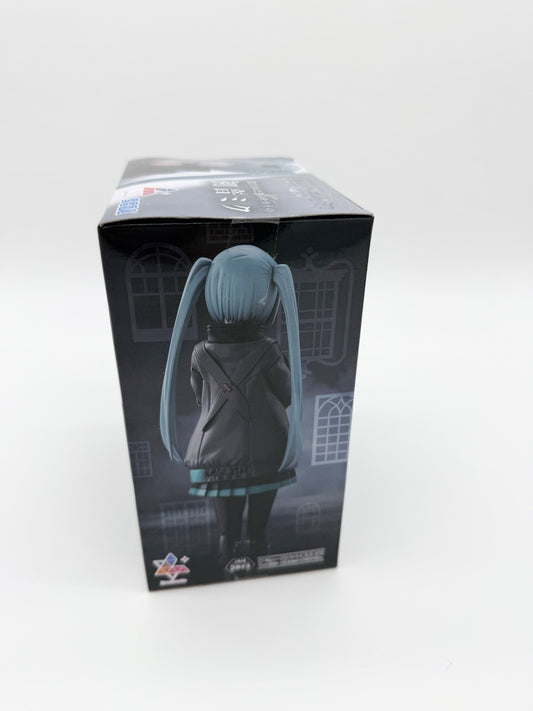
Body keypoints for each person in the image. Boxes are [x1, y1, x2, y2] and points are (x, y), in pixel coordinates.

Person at [160, 244, 302, 566]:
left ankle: (227, 570)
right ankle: (258, 568)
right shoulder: (269, 350)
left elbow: (201, 398)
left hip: (214, 454)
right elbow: (288, 395)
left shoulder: (199, 352)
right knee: (258, 532)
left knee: (227, 533)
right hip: (266, 451)